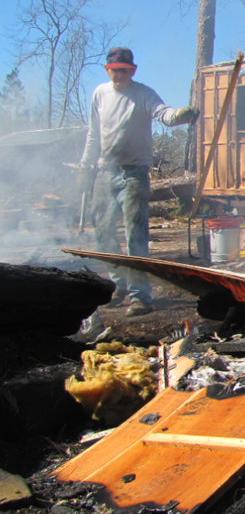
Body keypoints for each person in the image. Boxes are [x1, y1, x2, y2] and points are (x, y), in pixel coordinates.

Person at [79, 47, 198, 317]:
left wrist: (180, 116)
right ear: (107, 70)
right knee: (102, 231)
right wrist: (86, 164)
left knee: (136, 235)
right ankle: (116, 284)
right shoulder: (100, 94)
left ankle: (140, 296)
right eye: (114, 70)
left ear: (132, 71)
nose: (119, 74)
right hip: (105, 172)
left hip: (134, 174)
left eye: (124, 70)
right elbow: (93, 134)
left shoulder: (143, 93)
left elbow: (163, 113)